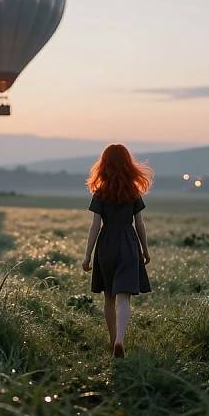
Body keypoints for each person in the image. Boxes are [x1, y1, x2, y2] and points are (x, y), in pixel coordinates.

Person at [82, 144, 153, 358]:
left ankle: (113, 341)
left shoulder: (100, 193)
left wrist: (87, 255)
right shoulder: (132, 191)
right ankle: (120, 340)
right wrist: (145, 250)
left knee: (109, 298)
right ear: (127, 164)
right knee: (124, 297)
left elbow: (95, 226)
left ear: (104, 164)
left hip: (106, 245)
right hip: (128, 243)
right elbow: (139, 224)